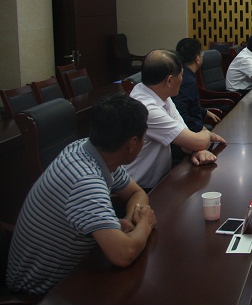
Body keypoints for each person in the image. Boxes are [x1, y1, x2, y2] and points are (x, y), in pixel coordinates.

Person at [5, 94, 157, 295]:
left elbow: (136, 193)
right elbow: (124, 254)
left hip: (77, 266)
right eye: (144, 138)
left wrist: (130, 218)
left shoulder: (88, 149)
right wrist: (144, 223)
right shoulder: (85, 182)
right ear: (132, 143)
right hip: (41, 291)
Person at [125, 49, 224, 189]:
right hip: (138, 189)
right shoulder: (146, 108)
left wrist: (196, 150)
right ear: (170, 80)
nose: (182, 80)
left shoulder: (161, 95)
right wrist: (206, 134)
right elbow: (198, 141)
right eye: (181, 75)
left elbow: (187, 137)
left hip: (162, 181)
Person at [173, 38, 220, 132]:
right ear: (197, 59)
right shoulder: (187, 81)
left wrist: (205, 112)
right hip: (191, 132)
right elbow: (181, 114)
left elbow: (189, 105)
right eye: (201, 54)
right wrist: (202, 130)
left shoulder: (183, 74)